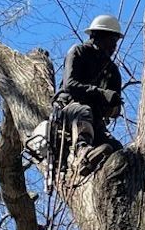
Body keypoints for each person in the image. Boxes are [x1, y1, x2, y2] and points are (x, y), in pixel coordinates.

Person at [53, 14, 124, 169]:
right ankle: (82, 151)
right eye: (111, 40)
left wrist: (113, 106)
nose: (114, 47)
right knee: (84, 111)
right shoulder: (79, 52)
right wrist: (101, 93)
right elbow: (70, 85)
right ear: (97, 36)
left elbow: (114, 107)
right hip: (70, 110)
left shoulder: (112, 71)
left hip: (95, 121)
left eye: (116, 42)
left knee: (117, 150)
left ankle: (102, 167)